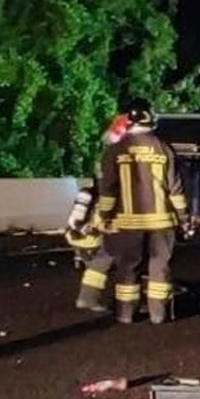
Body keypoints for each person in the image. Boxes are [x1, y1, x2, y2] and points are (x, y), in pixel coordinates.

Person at [95, 100, 189, 324]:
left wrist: (105, 216)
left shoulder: (115, 150)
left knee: (128, 267)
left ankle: (126, 313)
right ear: (150, 118)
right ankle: (159, 314)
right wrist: (183, 217)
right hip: (161, 223)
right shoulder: (163, 148)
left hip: (127, 223)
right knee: (159, 268)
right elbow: (175, 188)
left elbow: (107, 189)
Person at [69, 113, 130, 313]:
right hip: (110, 212)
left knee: (105, 257)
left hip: (98, 214)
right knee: (107, 256)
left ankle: (90, 296)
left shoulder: (106, 150)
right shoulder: (118, 151)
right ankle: (93, 298)